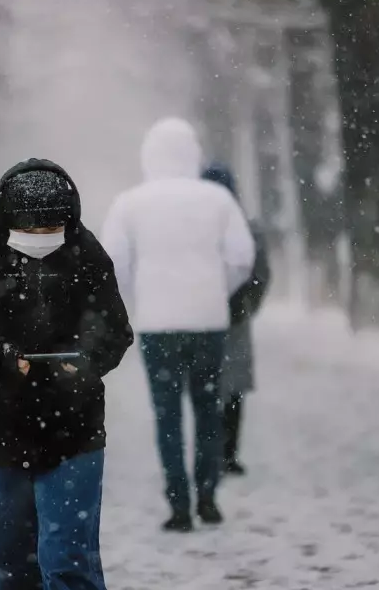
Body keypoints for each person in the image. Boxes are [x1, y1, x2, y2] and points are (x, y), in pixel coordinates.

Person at [0, 158, 133, 589]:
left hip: (73, 430)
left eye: (50, 230)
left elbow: (115, 330)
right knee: (3, 566)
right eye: (31, 230)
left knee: (70, 560)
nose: (41, 240)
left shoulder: (87, 255)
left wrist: (89, 359)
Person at [101, 118, 255, 532]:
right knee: (208, 409)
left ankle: (179, 504)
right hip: (208, 322)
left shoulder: (130, 203)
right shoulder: (218, 200)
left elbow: (112, 262)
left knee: (167, 415)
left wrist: (142, 293)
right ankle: (208, 495)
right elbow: (242, 257)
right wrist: (213, 289)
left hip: (158, 323)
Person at [201, 163, 272, 476]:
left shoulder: (197, 227)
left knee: (212, 386)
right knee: (233, 387)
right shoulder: (246, 225)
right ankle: (228, 453)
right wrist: (248, 304)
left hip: (207, 316)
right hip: (232, 314)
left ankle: (216, 451)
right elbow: (261, 274)